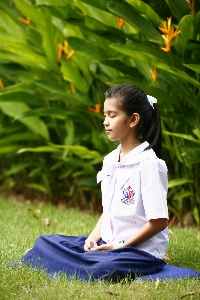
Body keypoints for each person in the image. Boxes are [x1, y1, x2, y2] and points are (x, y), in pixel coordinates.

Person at [22, 84, 169, 282]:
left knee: (103, 267)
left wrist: (122, 245)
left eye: (112, 115)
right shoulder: (110, 160)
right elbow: (108, 211)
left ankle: (78, 262)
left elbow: (159, 221)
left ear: (133, 119)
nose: (105, 122)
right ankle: (83, 258)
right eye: (105, 115)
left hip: (138, 253)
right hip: (108, 244)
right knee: (45, 242)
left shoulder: (149, 164)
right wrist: (92, 238)